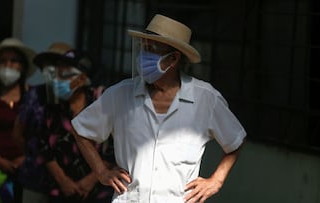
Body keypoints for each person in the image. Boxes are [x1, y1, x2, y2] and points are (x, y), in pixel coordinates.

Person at [71, 14, 247, 203]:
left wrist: (216, 181)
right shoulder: (120, 94)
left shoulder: (205, 98)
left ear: (173, 59)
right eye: (143, 47)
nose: (142, 55)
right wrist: (101, 172)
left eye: (152, 49)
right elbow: (81, 130)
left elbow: (235, 140)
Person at [36, 49, 114, 203]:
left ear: (82, 78)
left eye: (64, 75)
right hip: (60, 191)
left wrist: (91, 180)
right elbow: (44, 147)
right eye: (57, 73)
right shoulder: (52, 105)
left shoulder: (101, 102)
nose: (57, 80)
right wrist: (63, 181)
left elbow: (114, 147)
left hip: (98, 191)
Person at [12, 42, 73, 203]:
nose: (53, 69)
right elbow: (18, 134)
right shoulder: (34, 95)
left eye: (59, 64)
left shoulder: (78, 97)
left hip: (70, 182)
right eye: (49, 64)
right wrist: (32, 154)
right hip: (36, 178)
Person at [0, 38, 36, 203]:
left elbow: (38, 133)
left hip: (24, 171)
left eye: (13, 61)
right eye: (3, 61)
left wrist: (26, 158)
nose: (8, 65)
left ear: (22, 66)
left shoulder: (32, 97)